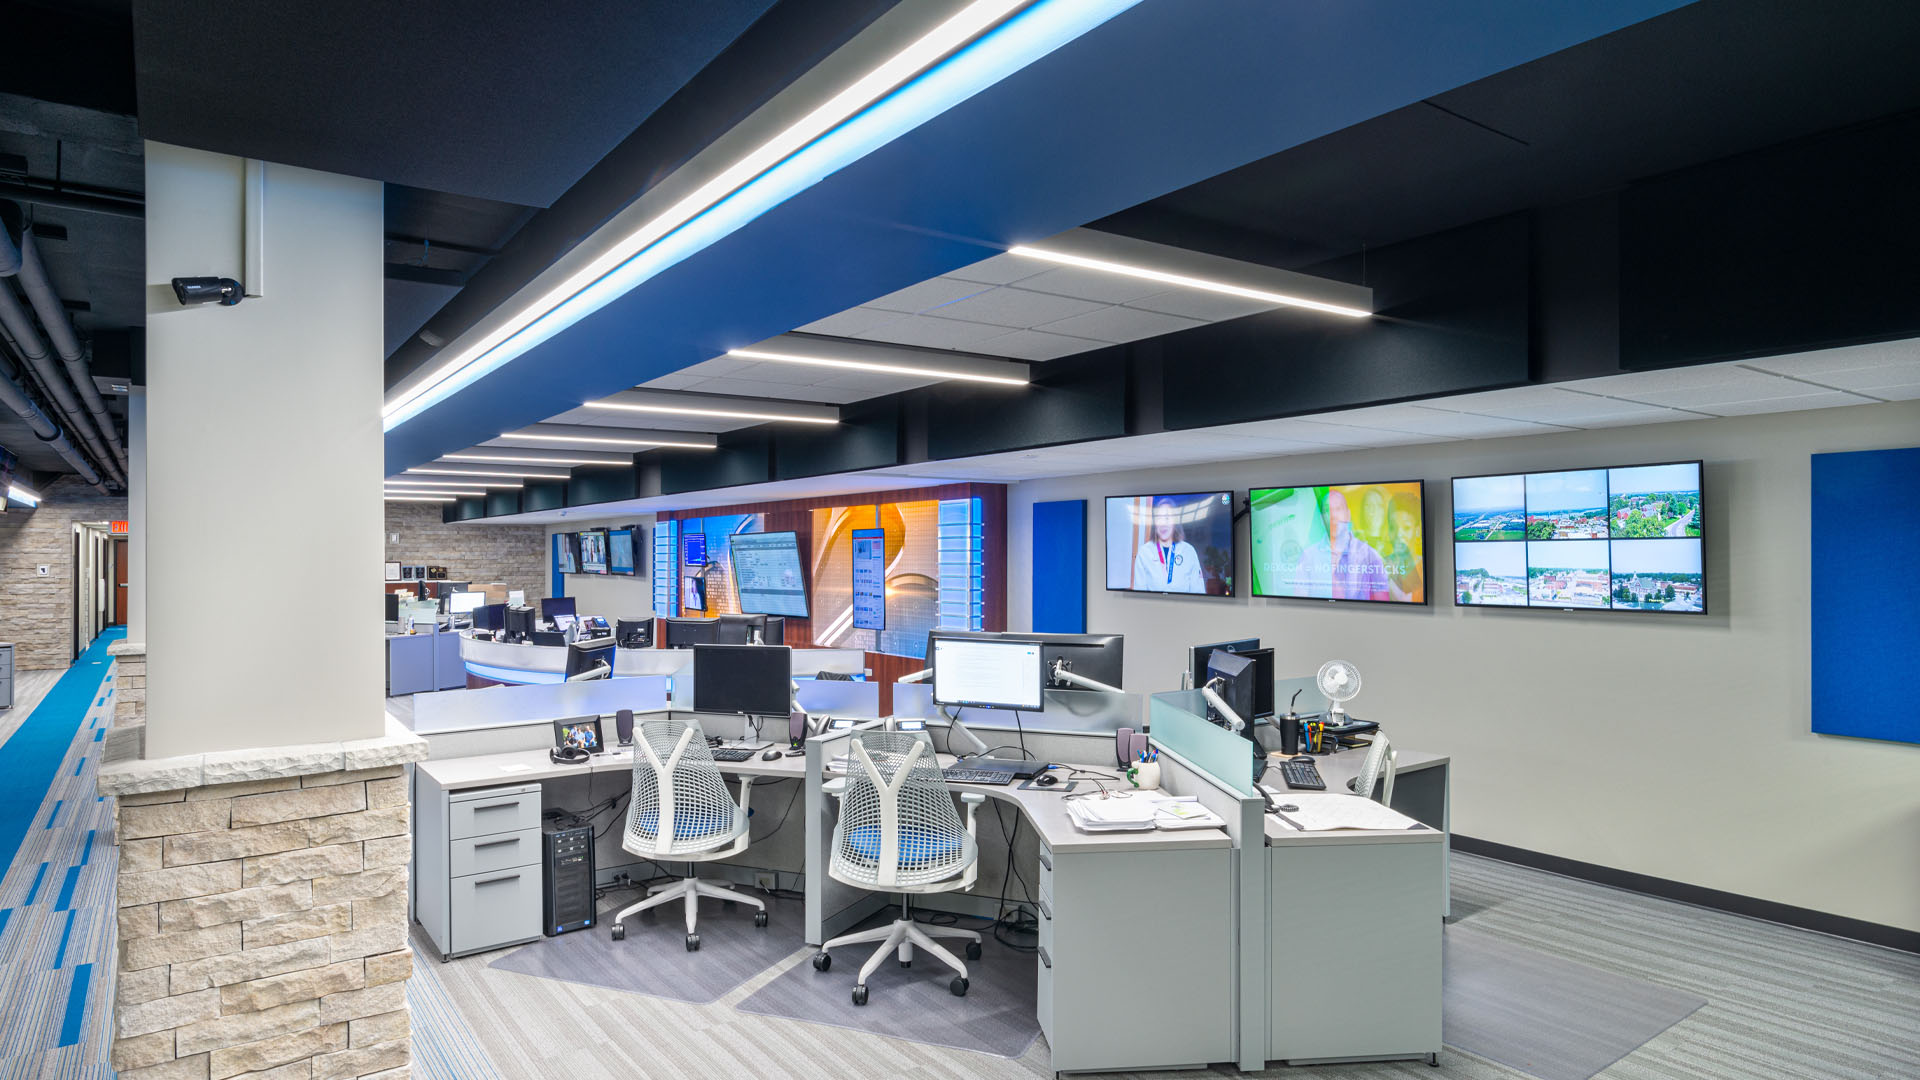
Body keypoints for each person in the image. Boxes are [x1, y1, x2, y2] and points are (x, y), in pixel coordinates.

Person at [1131, 496, 1206, 593]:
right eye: (1159, 518)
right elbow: (1139, 595)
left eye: (1167, 518)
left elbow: (1198, 592)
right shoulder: (1144, 553)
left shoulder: (1189, 552)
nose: (1163, 523)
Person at [1324, 489, 1389, 601]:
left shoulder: (1371, 555)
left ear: (1348, 514)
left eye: (1338, 509)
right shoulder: (1310, 555)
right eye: (1327, 510)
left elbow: (1383, 602)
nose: (1333, 515)